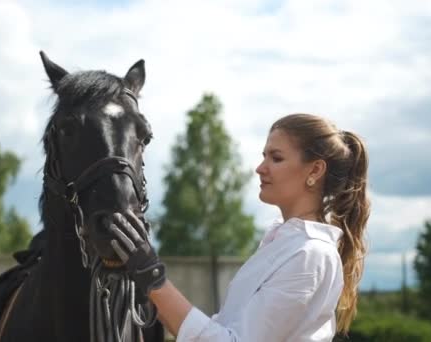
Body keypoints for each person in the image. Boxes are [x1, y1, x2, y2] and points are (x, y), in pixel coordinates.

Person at [109, 113, 370, 341]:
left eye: (276, 158)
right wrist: (146, 296)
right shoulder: (281, 242)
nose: (260, 168)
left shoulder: (310, 254)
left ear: (315, 170)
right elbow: (219, 330)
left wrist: (150, 274)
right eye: (263, 156)